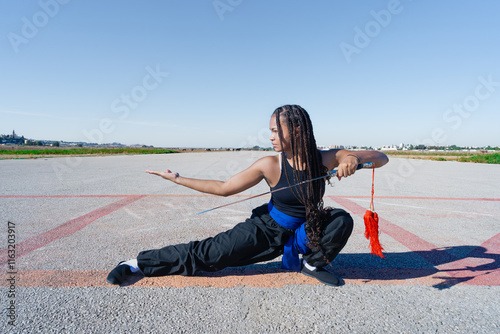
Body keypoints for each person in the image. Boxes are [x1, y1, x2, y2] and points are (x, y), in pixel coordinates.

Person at [107, 105, 389, 286]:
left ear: (298, 129)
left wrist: (351, 158)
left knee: (341, 219)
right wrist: (178, 179)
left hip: (307, 228)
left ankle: (311, 263)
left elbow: (381, 158)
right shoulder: (269, 164)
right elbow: (223, 187)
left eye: (277, 131)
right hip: (267, 230)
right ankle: (135, 263)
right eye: (270, 131)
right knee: (209, 254)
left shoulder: (325, 158)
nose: (271, 137)